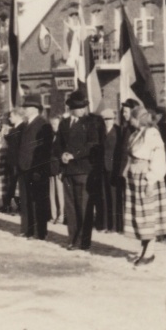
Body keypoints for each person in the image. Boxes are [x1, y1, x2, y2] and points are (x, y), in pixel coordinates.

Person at [123, 106, 166, 265]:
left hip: (146, 178)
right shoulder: (136, 134)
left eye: (131, 117)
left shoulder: (152, 133)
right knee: (139, 215)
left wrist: (151, 181)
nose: (129, 120)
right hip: (135, 178)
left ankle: (149, 252)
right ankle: (144, 248)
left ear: (138, 118)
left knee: (147, 215)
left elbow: (158, 158)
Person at [56, 90, 104, 250]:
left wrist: (74, 155)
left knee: (83, 207)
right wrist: (62, 155)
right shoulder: (64, 123)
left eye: (84, 107)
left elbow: (92, 144)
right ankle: (72, 239)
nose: (83, 110)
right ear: (72, 109)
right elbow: (58, 144)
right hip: (67, 171)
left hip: (83, 171)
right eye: (80, 107)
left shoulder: (90, 122)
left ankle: (83, 241)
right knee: (70, 208)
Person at [17, 95, 54, 239]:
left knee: (38, 201)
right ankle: (28, 229)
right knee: (26, 200)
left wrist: (39, 170)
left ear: (34, 109)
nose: (24, 110)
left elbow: (45, 150)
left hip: (36, 169)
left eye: (26, 108)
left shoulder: (43, 124)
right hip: (24, 168)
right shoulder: (26, 124)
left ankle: (40, 232)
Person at [100, 108, 122, 233]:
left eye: (110, 119)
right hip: (103, 167)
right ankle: (105, 224)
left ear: (114, 119)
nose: (108, 122)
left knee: (113, 197)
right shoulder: (101, 131)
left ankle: (114, 226)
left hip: (113, 168)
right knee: (104, 196)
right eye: (105, 119)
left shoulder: (118, 131)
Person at [3, 109, 26, 214]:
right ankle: (9, 204)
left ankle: (14, 205)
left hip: (17, 161)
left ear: (18, 116)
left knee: (15, 184)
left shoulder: (23, 128)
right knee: (11, 183)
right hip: (11, 160)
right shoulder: (14, 128)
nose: (9, 118)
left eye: (11, 116)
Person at [48, 116, 65, 225]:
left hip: (59, 169)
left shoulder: (62, 138)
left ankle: (61, 216)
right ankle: (53, 215)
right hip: (51, 168)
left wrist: (62, 170)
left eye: (55, 124)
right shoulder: (50, 137)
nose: (53, 126)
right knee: (52, 193)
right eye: (52, 124)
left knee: (60, 194)